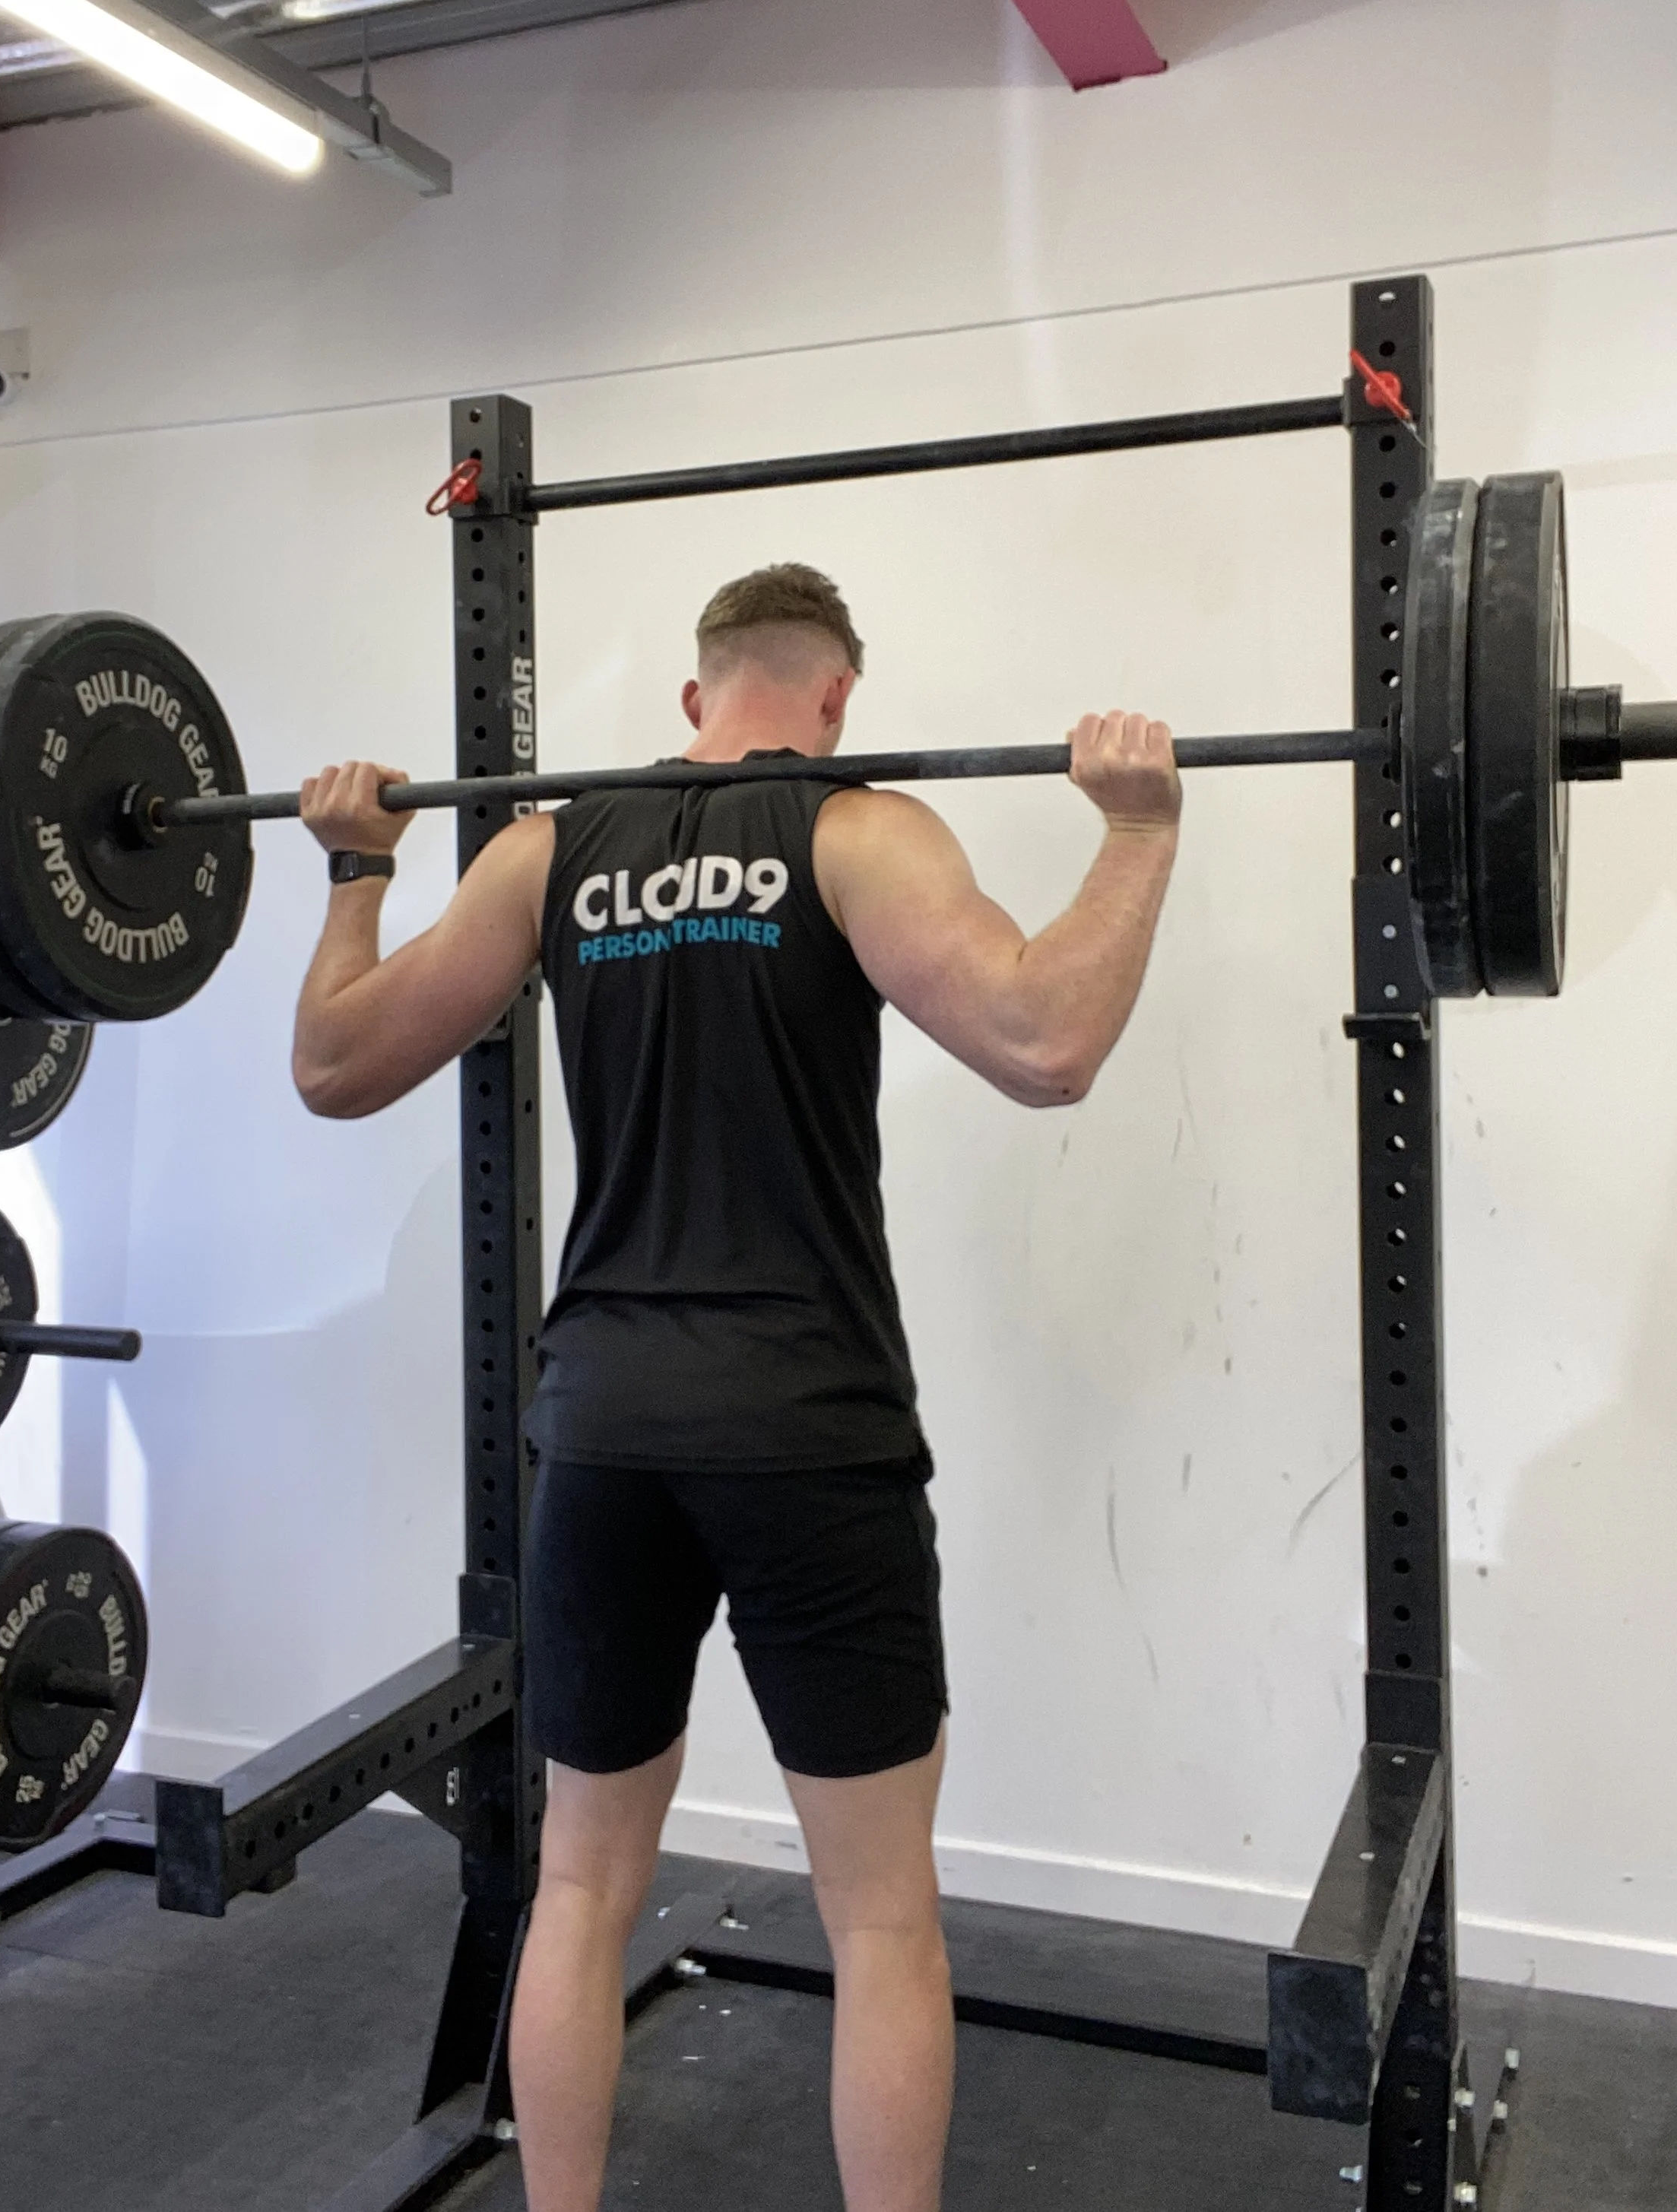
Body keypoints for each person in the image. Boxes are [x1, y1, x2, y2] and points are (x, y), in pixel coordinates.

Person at [291, 563, 1181, 2212]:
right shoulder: (858, 829)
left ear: (697, 700)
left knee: (577, 1887)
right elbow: (1045, 1042)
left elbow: (337, 1064)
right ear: (836, 698)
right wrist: (1134, 828)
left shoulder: (549, 845)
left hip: (607, 1432)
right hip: (806, 1430)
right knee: (879, 1917)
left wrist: (355, 871)